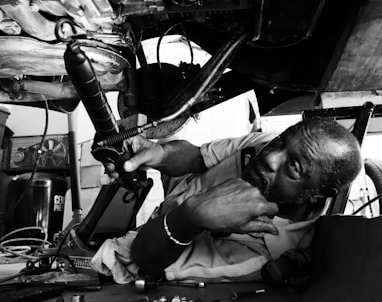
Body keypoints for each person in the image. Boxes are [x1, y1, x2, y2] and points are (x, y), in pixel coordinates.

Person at [91, 117, 362, 283]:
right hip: (174, 192)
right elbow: (197, 156)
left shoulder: (263, 255)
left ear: (318, 194)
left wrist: (188, 219)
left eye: (293, 167)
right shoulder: (267, 144)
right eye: (280, 142)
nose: (270, 157)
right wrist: (158, 153)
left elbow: (141, 259)